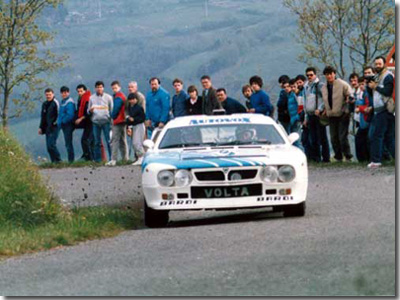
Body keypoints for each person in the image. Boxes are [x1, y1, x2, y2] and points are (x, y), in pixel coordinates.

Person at [319, 66, 352, 162]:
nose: (329, 76)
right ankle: (338, 157)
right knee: (333, 137)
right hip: (331, 115)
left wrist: (347, 103)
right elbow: (325, 100)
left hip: (342, 113)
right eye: (327, 74)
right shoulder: (324, 87)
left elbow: (350, 95)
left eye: (331, 74)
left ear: (334, 74)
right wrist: (324, 109)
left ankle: (348, 156)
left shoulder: (342, 84)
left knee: (342, 137)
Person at [367, 56, 395, 168]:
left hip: (384, 110)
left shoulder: (387, 76)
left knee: (376, 135)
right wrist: (370, 86)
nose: (377, 66)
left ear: (384, 64)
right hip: (380, 111)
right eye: (376, 64)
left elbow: (388, 91)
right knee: (388, 137)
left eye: (379, 64)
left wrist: (375, 86)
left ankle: (376, 160)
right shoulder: (377, 76)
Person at [304, 67, 330, 163]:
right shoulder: (306, 87)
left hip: (318, 115)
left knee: (322, 137)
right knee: (313, 137)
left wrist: (320, 109)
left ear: (315, 75)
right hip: (310, 115)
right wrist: (306, 117)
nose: (309, 77)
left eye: (311, 75)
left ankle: (326, 158)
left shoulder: (320, 85)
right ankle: (316, 158)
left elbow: (324, 98)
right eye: (307, 75)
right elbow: (305, 101)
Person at [88, 81, 113, 163]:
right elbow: (88, 111)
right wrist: (90, 111)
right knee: (97, 142)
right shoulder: (91, 98)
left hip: (106, 122)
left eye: (101, 87)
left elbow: (111, 109)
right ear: (95, 88)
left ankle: (111, 159)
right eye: (97, 87)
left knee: (109, 140)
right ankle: (98, 160)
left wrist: (110, 120)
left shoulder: (108, 97)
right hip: (95, 122)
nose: (99, 89)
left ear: (103, 88)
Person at [108, 80, 128, 166]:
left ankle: (113, 159)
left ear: (119, 87)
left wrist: (112, 116)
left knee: (115, 140)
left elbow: (116, 108)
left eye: (115, 88)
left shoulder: (118, 97)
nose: (114, 90)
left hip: (118, 120)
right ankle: (125, 158)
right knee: (123, 140)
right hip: (123, 120)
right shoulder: (122, 96)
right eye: (113, 88)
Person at [38, 88, 61, 163]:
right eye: (47, 95)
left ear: (53, 94)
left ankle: (58, 160)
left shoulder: (55, 103)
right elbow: (43, 117)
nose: (48, 96)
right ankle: (53, 161)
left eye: (50, 94)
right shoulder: (44, 104)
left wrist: (55, 123)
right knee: (48, 147)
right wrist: (41, 127)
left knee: (52, 145)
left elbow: (59, 114)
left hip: (54, 127)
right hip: (47, 128)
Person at [126, 93, 146, 165]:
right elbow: (128, 118)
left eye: (133, 99)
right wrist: (128, 126)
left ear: (136, 100)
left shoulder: (139, 108)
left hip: (139, 125)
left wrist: (134, 119)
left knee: (137, 142)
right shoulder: (129, 108)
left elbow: (142, 118)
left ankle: (142, 157)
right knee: (135, 143)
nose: (132, 101)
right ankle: (140, 157)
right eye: (130, 100)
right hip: (133, 126)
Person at [354, 77, 371, 162]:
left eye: (363, 84)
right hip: (362, 120)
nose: (361, 86)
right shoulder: (362, 94)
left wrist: (359, 108)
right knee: (361, 139)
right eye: (360, 84)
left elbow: (368, 106)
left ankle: (365, 158)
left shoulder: (367, 94)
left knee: (363, 139)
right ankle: (363, 159)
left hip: (367, 120)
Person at [75, 84, 93, 161]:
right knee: (89, 140)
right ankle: (88, 156)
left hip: (91, 122)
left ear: (85, 91)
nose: (80, 93)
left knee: (85, 140)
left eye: (81, 91)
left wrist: (81, 119)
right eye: (78, 91)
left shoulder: (88, 99)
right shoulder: (80, 99)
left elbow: (89, 112)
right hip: (86, 123)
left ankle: (89, 157)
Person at [57, 86, 75, 163]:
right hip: (63, 125)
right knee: (67, 143)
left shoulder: (69, 102)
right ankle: (70, 160)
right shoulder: (62, 102)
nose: (64, 94)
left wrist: (62, 122)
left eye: (65, 92)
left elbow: (70, 115)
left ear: (68, 92)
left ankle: (71, 160)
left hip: (68, 125)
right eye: (62, 93)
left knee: (68, 143)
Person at [285, 79, 303, 150]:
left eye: (294, 87)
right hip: (292, 119)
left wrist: (298, 117)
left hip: (296, 119)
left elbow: (300, 107)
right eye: (291, 87)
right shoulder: (290, 95)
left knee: (297, 140)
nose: (293, 88)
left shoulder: (298, 95)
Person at [296, 74, 311, 158]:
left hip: (306, 117)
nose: (299, 84)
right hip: (301, 118)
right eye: (297, 83)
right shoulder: (299, 94)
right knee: (304, 139)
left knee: (308, 138)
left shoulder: (305, 92)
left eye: (300, 82)